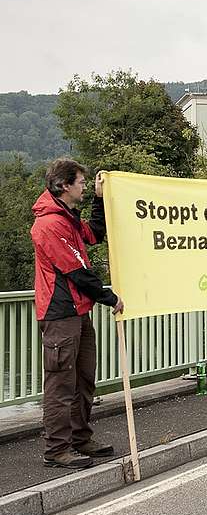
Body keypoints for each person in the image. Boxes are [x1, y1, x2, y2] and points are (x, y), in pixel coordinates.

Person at [31, 159, 123, 469]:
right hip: (60, 314)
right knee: (61, 385)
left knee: (84, 379)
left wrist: (99, 198)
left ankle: (80, 438)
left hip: (78, 311)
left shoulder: (68, 219)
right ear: (64, 185)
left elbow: (95, 234)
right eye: (81, 183)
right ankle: (57, 449)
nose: (84, 186)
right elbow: (78, 272)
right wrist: (111, 298)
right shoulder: (49, 224)